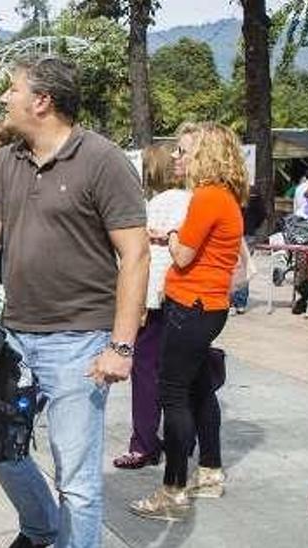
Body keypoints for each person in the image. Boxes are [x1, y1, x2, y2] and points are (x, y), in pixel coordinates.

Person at [0, 57, 149, 547]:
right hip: (13, 335)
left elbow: (136, 254)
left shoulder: (102, 159)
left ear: (42, 101)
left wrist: (121, 347)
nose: (3, 99)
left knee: (75, 481)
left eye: (12, 90)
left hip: (80, 341)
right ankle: (40, 529)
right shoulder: (7, 162)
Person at [131, 122, 246, 522]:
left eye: (183, 151)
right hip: (207, 305)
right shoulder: (223, 197)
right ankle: (209, 470)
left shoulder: (209, 198)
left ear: (205, 154)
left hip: (191, 305)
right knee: (198, 389)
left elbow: (182, 256)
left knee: (173, 395)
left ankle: (173, 489)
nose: (177, 157)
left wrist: (175, 234)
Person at [112, 142, 188, 471]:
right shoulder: (193, 200)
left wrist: (136, 302)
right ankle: (181, 440)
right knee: (179, 376)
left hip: (154, 297)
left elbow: (142, 257)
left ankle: (143, 442)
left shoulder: (152, 205)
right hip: (185, 299)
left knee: (145, 373)